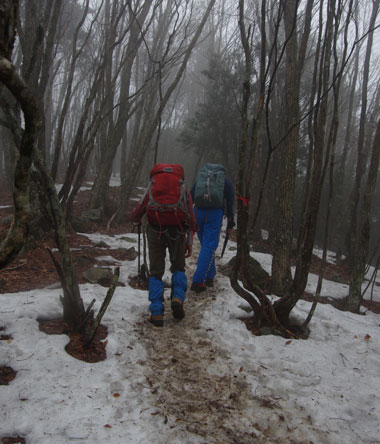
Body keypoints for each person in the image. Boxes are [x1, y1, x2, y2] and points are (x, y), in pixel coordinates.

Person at [131, 164, 197, 327]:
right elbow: (190, 216)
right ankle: (177, 297)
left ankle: (156, 312)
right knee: (179, 267)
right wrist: (189, 241)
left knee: (156, 271)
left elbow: (140, 207)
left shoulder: (152, 184)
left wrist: (136, 218)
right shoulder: (182, 186)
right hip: (178, 231)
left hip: (155, 230)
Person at [190, 163, 235, 293]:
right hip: (214, 214)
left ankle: (210, 276)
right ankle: (198, 281)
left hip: (197, 212)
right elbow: (230, 204)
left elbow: (190, 195)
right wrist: (230, 224)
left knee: (206, 246)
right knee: (209, 247)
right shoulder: (226, 183)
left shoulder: (201, 179)